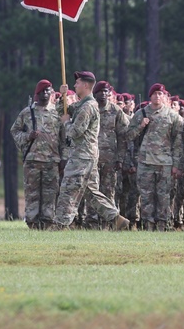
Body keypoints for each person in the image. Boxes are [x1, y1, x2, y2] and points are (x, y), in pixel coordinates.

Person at [52, 71, 130, 231]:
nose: (75, 85)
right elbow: (64, 111)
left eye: (77, 83)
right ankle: (115, 218)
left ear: (85, 85)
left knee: (68, 187)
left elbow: (75, 131)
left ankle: (60, 224)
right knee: (91, 192)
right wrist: (62, 97)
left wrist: (66, 123)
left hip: (82, 156)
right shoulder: (83, 105)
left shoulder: (87, 107)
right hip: (86, 156)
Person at [124, 82, 184, 231]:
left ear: (164, 96)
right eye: (155, 93)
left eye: (160, 94)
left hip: (165, 163)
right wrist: (140, 126)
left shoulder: (172, 116)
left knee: (164, 196)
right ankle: (148, 224)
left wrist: (177, 165)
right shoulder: (141, 114)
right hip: (145, 162)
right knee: (146, 196)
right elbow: (128, 136)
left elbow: (177, 142)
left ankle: (163, 225)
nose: (158, 96)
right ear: (150, 96)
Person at [10, 80, 64, 229]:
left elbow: (63, 138)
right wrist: (27, 137)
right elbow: (14, 131)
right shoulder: (28, 112)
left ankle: (47, 223)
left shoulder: (57, 113)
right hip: (32, 160)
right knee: (32, 194)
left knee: (50, 194)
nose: (45, 94)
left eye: (48, 91)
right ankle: (33, 223)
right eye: (43, 91)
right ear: (37, 94)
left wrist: (63, 159)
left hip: (51, 161)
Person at [89, 81, 129, 229]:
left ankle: (109, 223)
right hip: (91, 158)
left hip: (110, 159)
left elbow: (123, 136)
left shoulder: (115, 111)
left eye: (106, 92)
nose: (104, 94)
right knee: (93, 191)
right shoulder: (89, 108)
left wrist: (120, 158)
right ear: (95, 93)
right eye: (101, 92)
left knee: (108, 191)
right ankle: (92, 222)